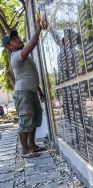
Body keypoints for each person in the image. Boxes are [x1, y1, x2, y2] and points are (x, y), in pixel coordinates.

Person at [2, 18, 46, 158]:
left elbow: (29, 76)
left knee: (32, 120)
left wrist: (39, 91)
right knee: (25, 121)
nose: (17, 40)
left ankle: (32, 145)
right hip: (23, 93)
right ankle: (25, 151)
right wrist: (38, 29)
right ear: (10, 47)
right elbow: (32, 43)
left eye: (16, 37)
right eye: (14, 40)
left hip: (31, 92)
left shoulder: (25, 58)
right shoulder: (16, 56)